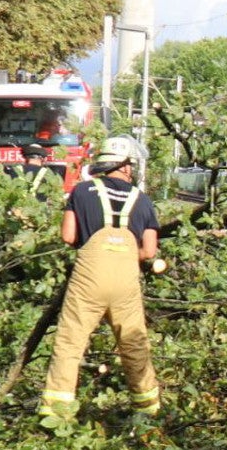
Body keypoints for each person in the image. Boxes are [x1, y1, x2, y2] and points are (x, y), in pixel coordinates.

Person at [41, 135, 161, 423]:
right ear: (126, 166)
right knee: (134, 344)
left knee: (70, 343)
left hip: (89, 280)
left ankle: (57, 415)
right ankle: (148, 413)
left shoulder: (82, 191)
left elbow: (68, 236)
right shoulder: (142, 200)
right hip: (125, 282)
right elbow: (149, 251)